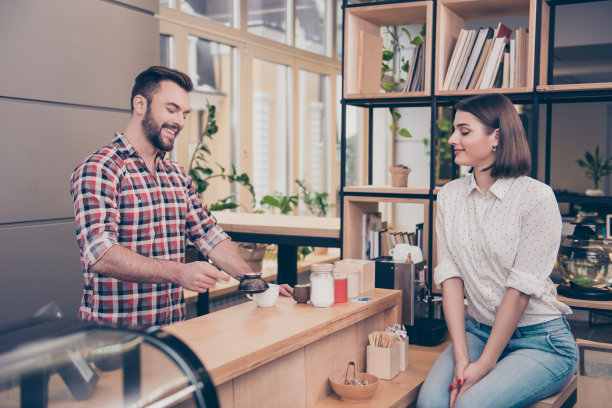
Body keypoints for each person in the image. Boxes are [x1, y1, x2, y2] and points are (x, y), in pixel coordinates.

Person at [70, 66, 292, 328]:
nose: (180, 121)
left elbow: (208, 235)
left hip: (171, 335)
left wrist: (258, 285)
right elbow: (100, 254)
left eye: (185, 113)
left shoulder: (176, 175)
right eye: (171, 109)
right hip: (114, 338)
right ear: (140, 104)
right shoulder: (101, 169)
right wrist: (179, 272)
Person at [416, 94, 577, 408]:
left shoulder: (536, 197)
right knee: (430, 404)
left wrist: (485, 364)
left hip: (541, 340)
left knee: (467, 405)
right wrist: (462, 358)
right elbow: (450, 279)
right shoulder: (449, 196)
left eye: (464, 131)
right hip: (476, 331)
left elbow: (518, 293)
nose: (452, 139)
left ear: (497, 137)